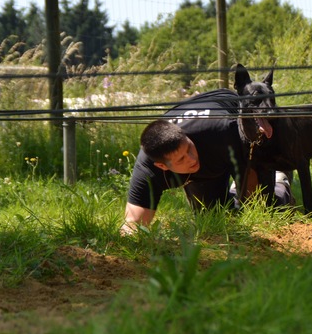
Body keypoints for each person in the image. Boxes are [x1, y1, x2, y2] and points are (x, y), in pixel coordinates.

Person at [122, 89, 293, 235]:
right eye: (181, 158)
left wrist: (253, 188)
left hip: (226, 127)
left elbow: (254, 158)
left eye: (189, 148)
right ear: (162, 166)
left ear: (186, 136)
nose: (191, 159)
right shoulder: (148, 170)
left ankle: (280, 180)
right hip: (211, 151)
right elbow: (134, 223)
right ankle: (232, 191)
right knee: (213, 215)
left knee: (262, 206)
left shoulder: (224, 130)